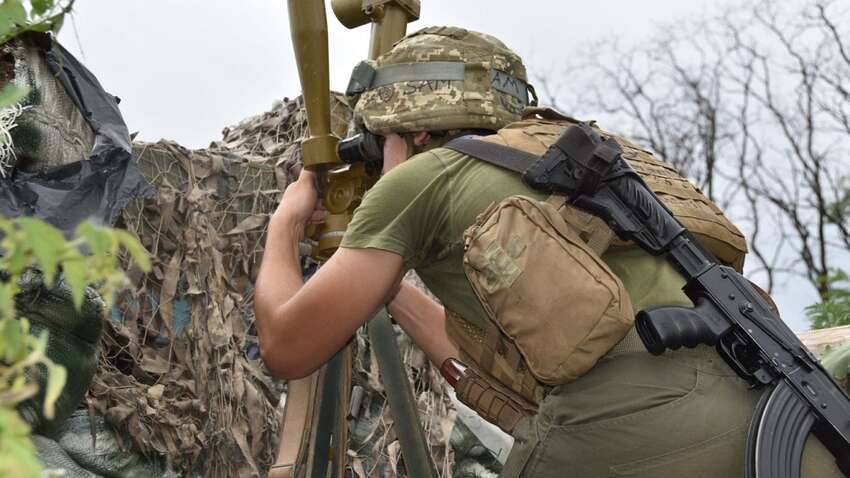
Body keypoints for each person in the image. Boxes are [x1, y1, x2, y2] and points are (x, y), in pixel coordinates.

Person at [254, 26, 842, 477]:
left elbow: (286, 346)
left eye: (380, 144)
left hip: (631, 431)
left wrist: (286, 223)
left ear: (416, 133)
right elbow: (515, 351)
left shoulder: (423, 179)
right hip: (776, 418)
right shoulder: (576, 161)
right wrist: (384, 287)